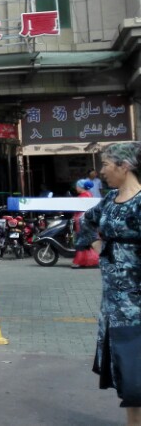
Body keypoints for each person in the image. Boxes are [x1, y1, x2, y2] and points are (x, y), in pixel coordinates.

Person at [74, 142, 141, 420]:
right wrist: (99, 247)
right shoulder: (111, 199)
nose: (101, 171)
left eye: (106, 165)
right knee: (129, 373)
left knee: (135, 370)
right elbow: (87, 222)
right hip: (114, 301)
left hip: (137, 305)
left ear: (124, 167)